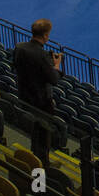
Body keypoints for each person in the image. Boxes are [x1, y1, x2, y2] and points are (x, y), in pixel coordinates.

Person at [12, 18, 62, 164]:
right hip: (41, 101)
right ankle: (43, 164)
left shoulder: (19, 47)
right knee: (43, 134)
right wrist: (56, 66)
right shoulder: (42, 55)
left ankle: (35, 158)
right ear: (45, 35)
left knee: (35, 131)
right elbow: (53, 79)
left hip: (24, 95)